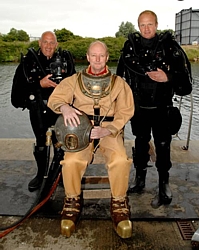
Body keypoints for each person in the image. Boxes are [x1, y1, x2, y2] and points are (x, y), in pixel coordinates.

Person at [47, 40, 135, 238]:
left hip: (108, 132)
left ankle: (119, 203)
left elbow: (126, 111)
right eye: (93, 55)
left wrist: (109, 130)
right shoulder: (73, 81)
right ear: (87, 57)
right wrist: (65, 107)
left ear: (107, 57)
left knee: (120, 160)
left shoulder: (119, 83)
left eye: (101, 55)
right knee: (71, 161)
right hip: (81, 133)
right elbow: (54, 100)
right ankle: (72, 201)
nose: (97, 59)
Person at [116, 10, 192, 208]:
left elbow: (186, 85)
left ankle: (163, 185)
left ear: (156, 25)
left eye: (150, 24)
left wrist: (169, 77)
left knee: (163, 145)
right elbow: (120, 80)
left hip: (162, 108)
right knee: (140, 143)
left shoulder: (170, 47)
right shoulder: (130, 47)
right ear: (138, 26)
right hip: (139, 108)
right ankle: (139, 180)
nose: (146, 28)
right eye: (142, 25)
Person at [11, 31, 76, 192]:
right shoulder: (27, 64)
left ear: (57, 45)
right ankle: (41, 174)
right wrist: (39, 84)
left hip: (61, 111)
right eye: (45, 42)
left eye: (52, 43)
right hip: (38, 109)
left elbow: (77, 89)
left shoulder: (65, 61)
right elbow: (16, 97)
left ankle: (59, 175)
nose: (48, 46)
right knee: (41, 143)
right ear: (39, 43)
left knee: (61, 144)